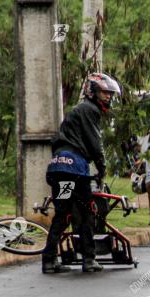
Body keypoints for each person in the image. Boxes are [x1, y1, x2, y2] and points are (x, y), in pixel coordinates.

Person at [42, 72, 120, 274]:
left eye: (110, 94)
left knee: (63, 213)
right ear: (92, 91)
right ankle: (89, 259)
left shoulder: (76, 111)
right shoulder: (89, 109)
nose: (108, 97)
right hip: (74, 170)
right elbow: (95, 142)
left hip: (59, 168)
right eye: (104, 93)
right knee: (87, 212)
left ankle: (49, 260)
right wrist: (102, 167)